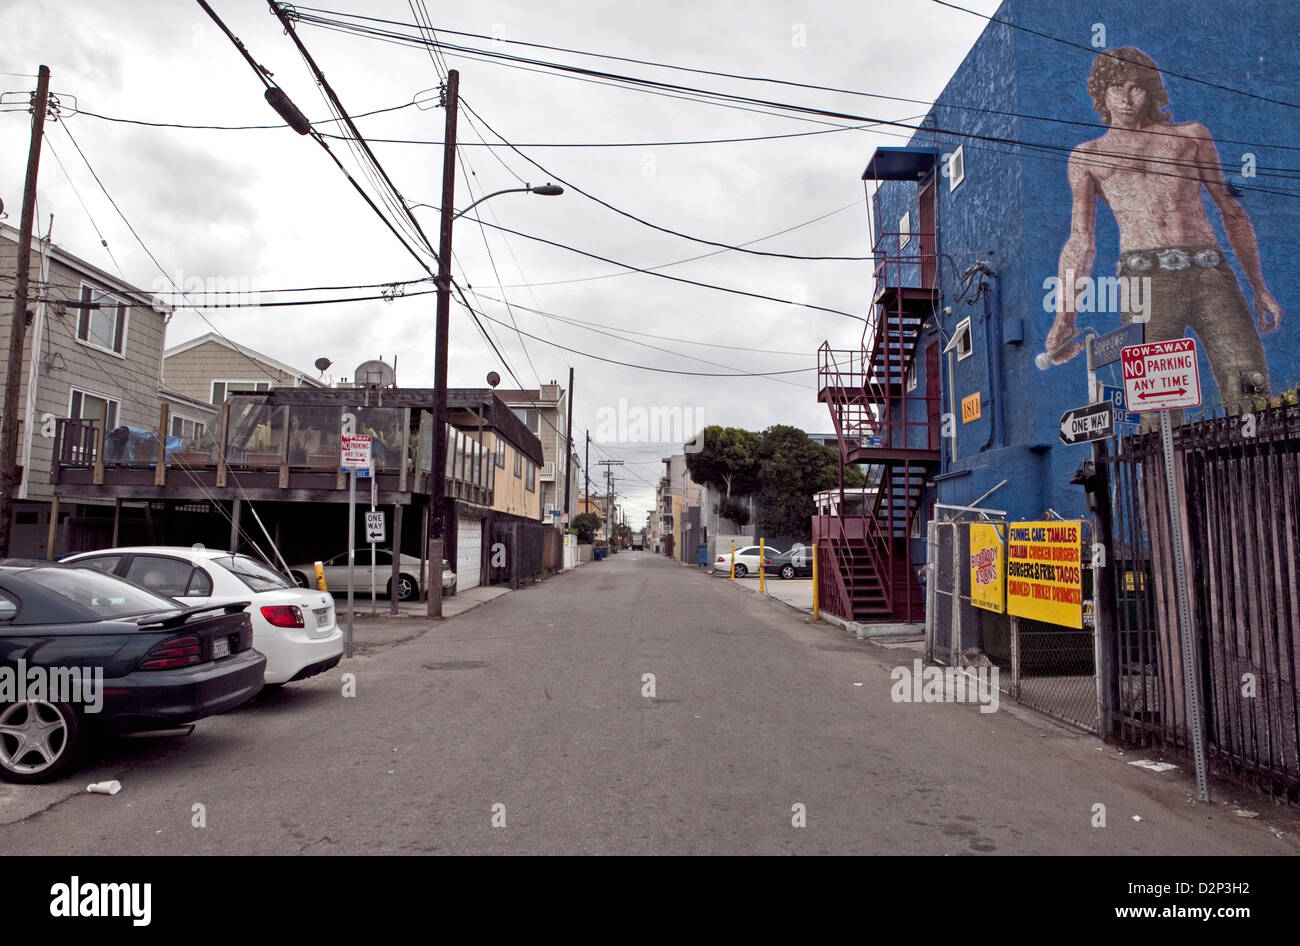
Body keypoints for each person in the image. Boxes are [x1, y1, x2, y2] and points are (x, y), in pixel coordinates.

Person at [1046, 47, 1282, 411]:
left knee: (1250, 386)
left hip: (1209, 271)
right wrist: (1065, 317)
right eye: (1114, 88)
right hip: (1144, 280)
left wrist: (1259, 287)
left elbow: (1230, 210)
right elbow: (1081, 241)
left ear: (1150, 91)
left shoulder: (1191, 135)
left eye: (1134, 87)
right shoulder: (1088, 156)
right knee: (1156, 406)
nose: (1125, 99)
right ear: (1101, 93)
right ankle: (1167, 465)